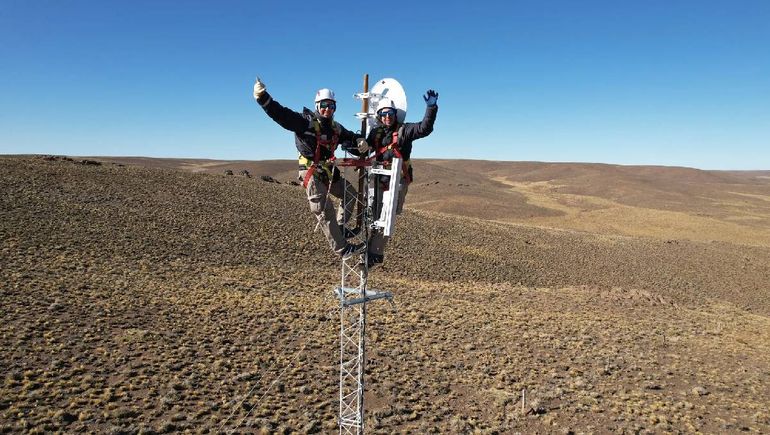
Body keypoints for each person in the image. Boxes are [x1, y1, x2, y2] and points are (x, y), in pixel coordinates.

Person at [252, 77, 370, 259]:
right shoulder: (304, 122)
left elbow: (348, 138)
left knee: (351, 194)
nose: (327, 109)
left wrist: (358, 142)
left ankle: (340, 229)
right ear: (317, 105)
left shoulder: (335, 128)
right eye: (324, 105)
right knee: (325, 210)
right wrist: (262, 98)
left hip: (329, 172)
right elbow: (281, 114)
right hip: (312, 172)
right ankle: (342, 249)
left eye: (331, 106)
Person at [363, 89, 439, 268]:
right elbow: (364, 149)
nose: (387, 117)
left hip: (397, 180)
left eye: (390, 113)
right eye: (383, 114)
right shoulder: (375, 134)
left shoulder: (405, 130)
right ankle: (368, 248)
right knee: (373, 214)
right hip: (378, 179)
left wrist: (431, 108)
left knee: (387, 216)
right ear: (379, 116)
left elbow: (424, 128)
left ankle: (375, 253)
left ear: (395, 114)